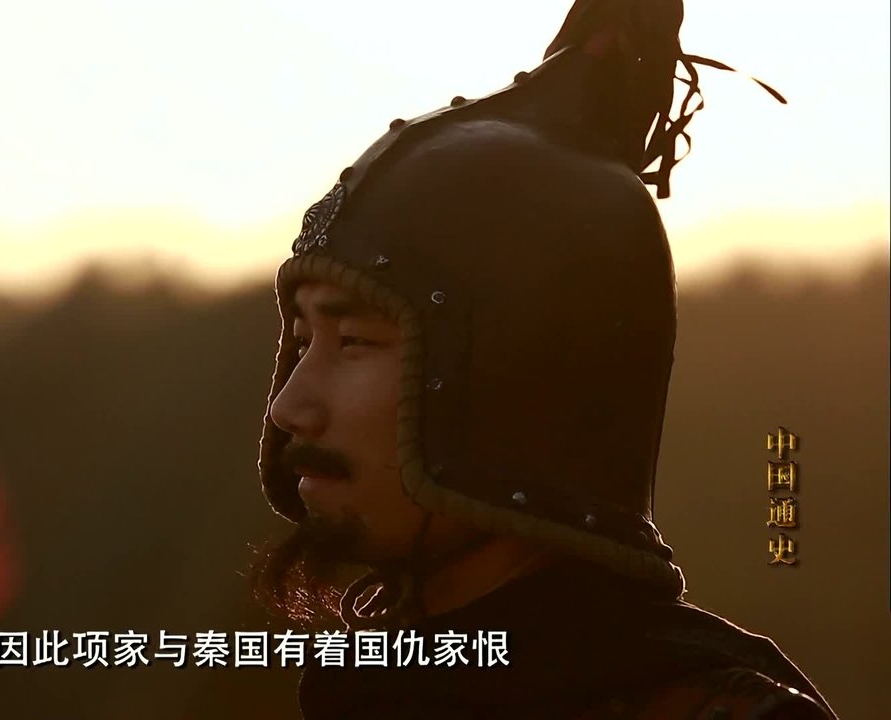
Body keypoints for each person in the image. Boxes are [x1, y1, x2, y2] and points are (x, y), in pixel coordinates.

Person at [249, 0, 838, 717]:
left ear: (515, 380)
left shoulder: (697, 709)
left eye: (354, 342)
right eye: (302, 340)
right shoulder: (381, 686)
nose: (289, 407)